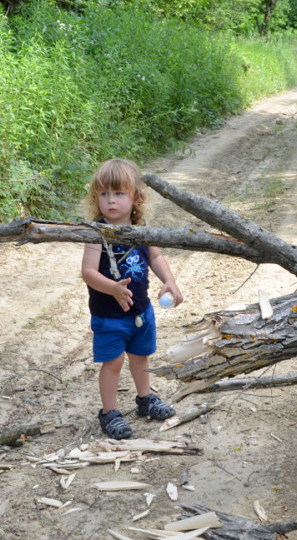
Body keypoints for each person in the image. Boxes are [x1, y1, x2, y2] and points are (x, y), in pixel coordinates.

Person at [81, 159, 183, 439]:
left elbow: (156, 256)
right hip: (109, 315)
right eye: (104, 194)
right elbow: (88, 272)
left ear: (135, 197)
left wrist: (169, 282)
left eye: (118, 194)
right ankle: (110, 413)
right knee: (113, 363)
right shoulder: (96, 232)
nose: (110, 201)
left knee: (141, 357)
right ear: (96, 198)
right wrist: (112, 288)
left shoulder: (140, 227)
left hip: (140, 310)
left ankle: (145, 398)